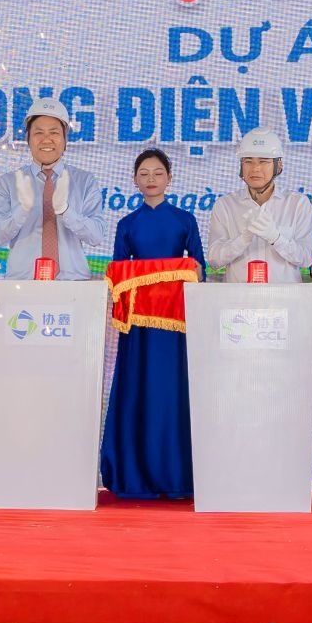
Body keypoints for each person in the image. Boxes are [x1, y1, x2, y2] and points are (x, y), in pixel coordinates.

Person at [101, 149, 203, 501]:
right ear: (134, 180)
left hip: (175, 325)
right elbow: (117, 273)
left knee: (172, 391)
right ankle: (136, 476)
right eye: (143, 173)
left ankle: (176, 475)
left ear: (169, 178)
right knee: (138, 389)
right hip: (139, 327)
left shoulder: (185, 220)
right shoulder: (127, 223)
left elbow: (199, 268)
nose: (151, 179)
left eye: (158, 173)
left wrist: (189, 271)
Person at [0, 98, 112, 279]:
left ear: (65, 139)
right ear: (28, 138)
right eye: (38, 133)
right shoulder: (9, 182)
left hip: (74, 284)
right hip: (22, 284)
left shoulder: (84, 181)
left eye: (54, 132)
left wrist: (66, 211)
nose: (46, 139)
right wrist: (22, 210)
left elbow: (96, 236)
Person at [203, 127, 312, 281]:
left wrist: (276, 238)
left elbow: (306, 258)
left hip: (285, 295)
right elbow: (214, 261)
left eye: (263, 161)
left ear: (278, 166)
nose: (255, 168)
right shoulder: (225, 205)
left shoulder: (297, 204)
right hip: (238, 295)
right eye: (248, 161)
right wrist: (242, 241)